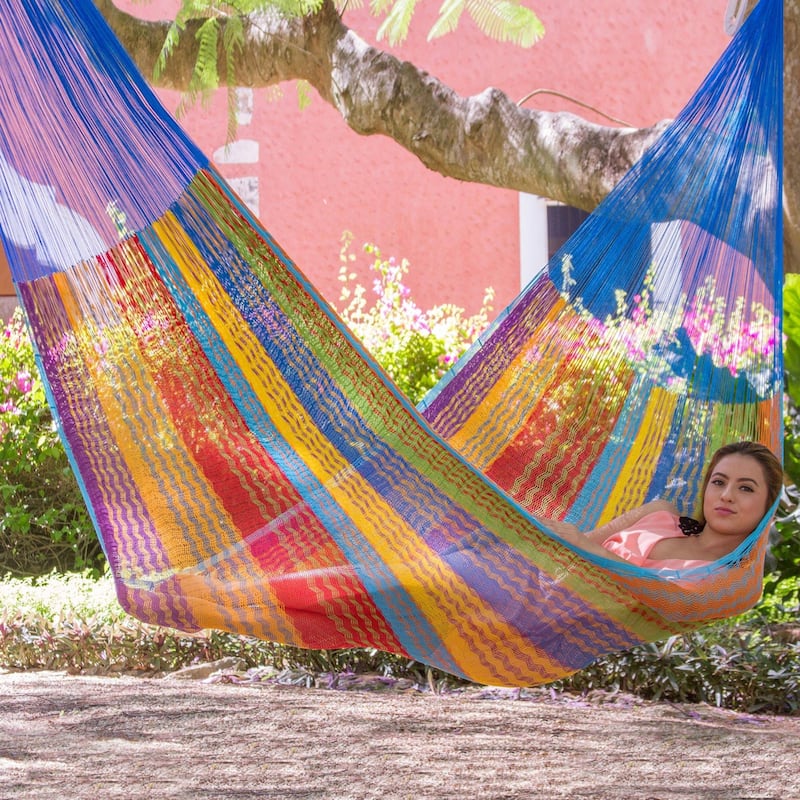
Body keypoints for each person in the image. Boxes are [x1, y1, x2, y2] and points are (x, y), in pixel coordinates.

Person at [547, 441, 784, 569]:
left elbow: (654, 595)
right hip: (543, 579)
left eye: (746, 488)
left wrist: (582, 545)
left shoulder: (723, 578)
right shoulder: (660, 513)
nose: (726, 495)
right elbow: (577, 541)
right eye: (719, 482)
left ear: (768, 507)